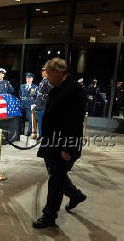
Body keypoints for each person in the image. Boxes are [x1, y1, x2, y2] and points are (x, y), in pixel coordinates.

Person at [33, 57, 87, 229]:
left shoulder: (74, 90)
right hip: (51, 142)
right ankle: (76, 195)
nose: (46, 77)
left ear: (58, 72)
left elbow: (75, 123)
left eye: (48, 73)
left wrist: (67, 148)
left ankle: (49, 216)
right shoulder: (58, 87)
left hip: (63, 145)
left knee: (55, 180)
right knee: (56, 175)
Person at [35, 67, 50, 139]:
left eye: (43, 71)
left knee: (44, 121)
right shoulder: (42, 81)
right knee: (40, 121)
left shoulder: (48, 81)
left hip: (44, 105)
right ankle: (41, 134)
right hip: (39, 105)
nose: (42, 73)